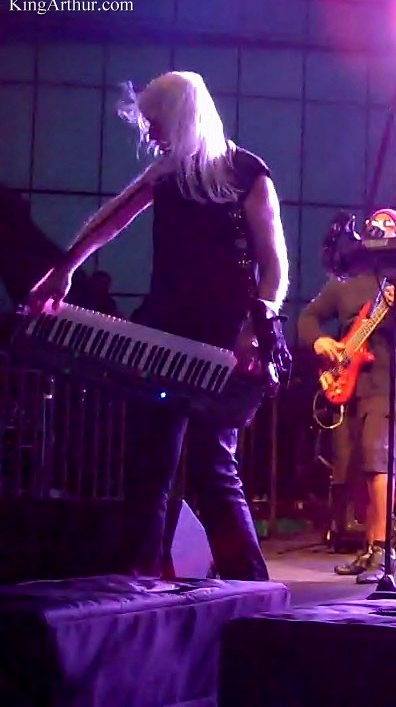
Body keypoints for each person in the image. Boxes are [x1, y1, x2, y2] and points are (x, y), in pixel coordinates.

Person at [25, 71, 288, 581]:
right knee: (148, 467)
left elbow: (274, 266)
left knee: (212, 469)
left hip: (224, 343)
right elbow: (112, 218)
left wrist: (257, 327)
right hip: (163, 334)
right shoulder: (164, 175)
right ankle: (137, 583)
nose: (149, 133)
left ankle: (251, 589)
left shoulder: (248, 174)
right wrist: (64, 269)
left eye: (155, 122)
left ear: (180, 118)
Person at [297, 209, 396, 584]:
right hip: (351, 383)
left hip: (393, 380)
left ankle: (383, 549)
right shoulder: (347, 280)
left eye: (388, 227)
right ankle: (368, 547)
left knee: (379, 458)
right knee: (355, 468)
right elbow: (307, 318)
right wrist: (320, 341)